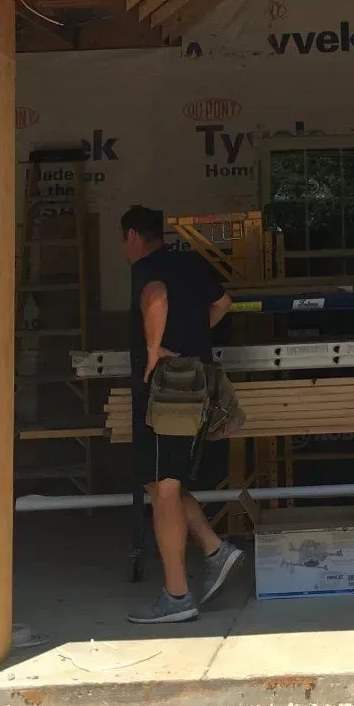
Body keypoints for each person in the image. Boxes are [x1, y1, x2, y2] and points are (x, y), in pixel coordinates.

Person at [121, 204, 244, 624]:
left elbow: (156, 297)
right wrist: (192, 336)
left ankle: (177, 595)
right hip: (195, 383)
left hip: (167, 388)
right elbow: (224, 302)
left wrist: (155, 350)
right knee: (165, 482)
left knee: (164, 485)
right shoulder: (190, 262)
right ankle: (214, 548)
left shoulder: (147, 267)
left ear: (133, 236)